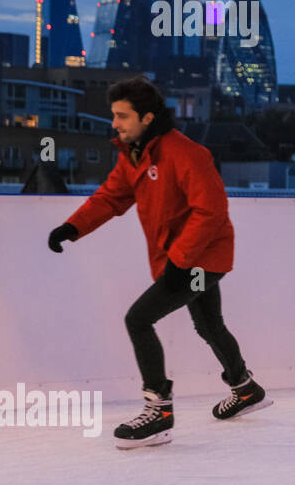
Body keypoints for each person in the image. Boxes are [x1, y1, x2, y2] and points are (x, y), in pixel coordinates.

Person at [46, 76, 268, 449]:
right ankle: (244, 388)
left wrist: (181, 261)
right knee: (209, 324)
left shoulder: (185, 153)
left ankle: (158, 410)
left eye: (122, 116)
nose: (114, 123)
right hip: (188, 260)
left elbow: (211, 211)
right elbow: (110, 198)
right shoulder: (134, 154)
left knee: (139, 318)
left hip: (199, 262)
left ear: (147, 117)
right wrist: (72, 227)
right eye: (113, 115)